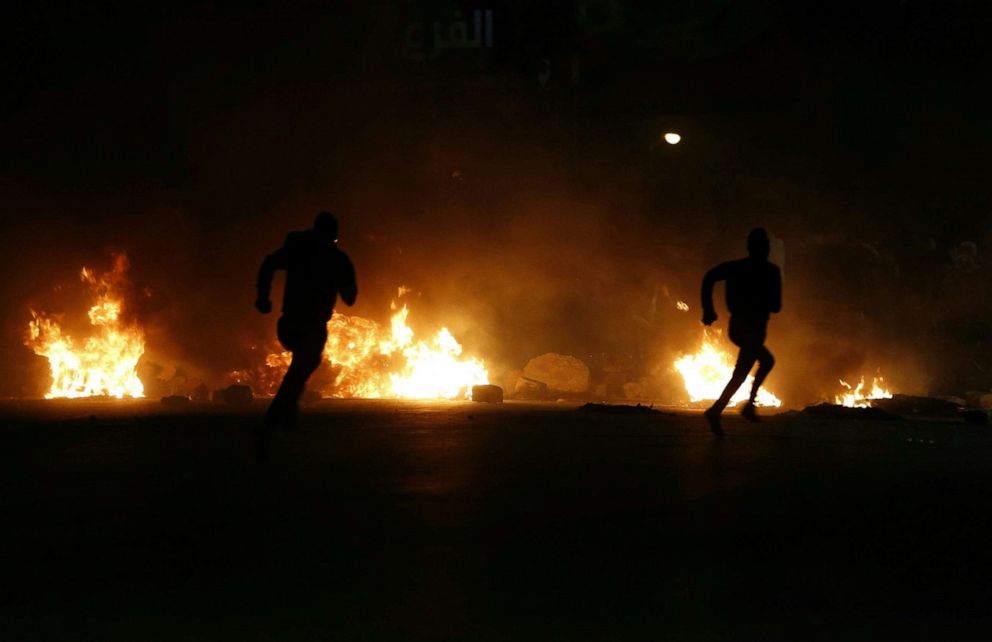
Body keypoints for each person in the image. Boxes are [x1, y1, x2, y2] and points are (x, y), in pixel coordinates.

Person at [255, 212, 357, 435]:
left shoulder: (299, 250)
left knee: (304, 363)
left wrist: (263, 296)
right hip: (308, 323)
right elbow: (350, 297)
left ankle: (287, 413)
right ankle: (278, 414)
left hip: (290, 322)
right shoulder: (334, 258)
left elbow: (269, 264)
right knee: (305, 362)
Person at [699, 228, 781, 437]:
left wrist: (709, 308)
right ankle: (722, 409)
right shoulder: (767, 271)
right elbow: (775, 305)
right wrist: (708, 308)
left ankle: (732, 408)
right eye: (763, 246)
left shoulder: (742, 268)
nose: (765, 249)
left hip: (744, 327)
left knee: (764, 362)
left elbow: (709, 277)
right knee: (743, 371)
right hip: (747, 327)